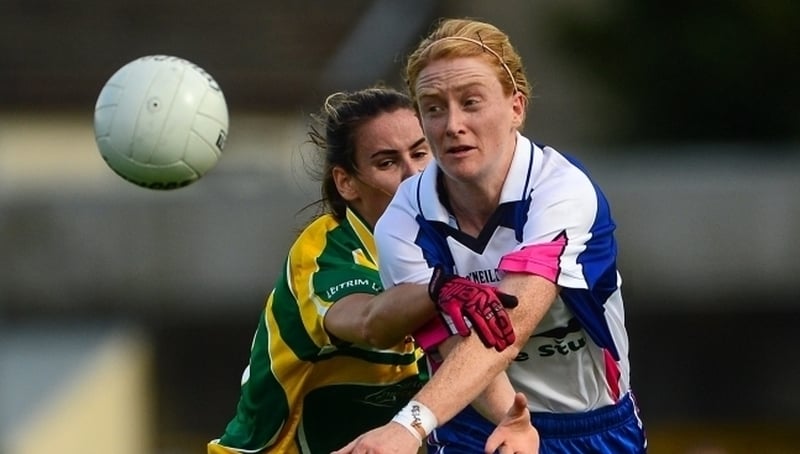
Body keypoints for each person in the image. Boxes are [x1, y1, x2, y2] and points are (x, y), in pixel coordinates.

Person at [334, 18, 647, 454]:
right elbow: (451, 340)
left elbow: (509, 326)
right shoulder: (404, 218)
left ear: (516, 108)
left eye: (471, 102)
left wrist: (407, 427)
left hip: (591, 426)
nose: (452, 125)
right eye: (434, 107)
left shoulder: (561, 192)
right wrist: (511, 418)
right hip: (472, 421)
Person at [207, 86, 535, 454]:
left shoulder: (457, 244)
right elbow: (369, 322)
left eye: (420, 152)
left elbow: (476, 358)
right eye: (387, 162)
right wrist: (436, 290)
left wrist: (516, 419)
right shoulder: (326, 250)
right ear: (346, 183)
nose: (413, 175)